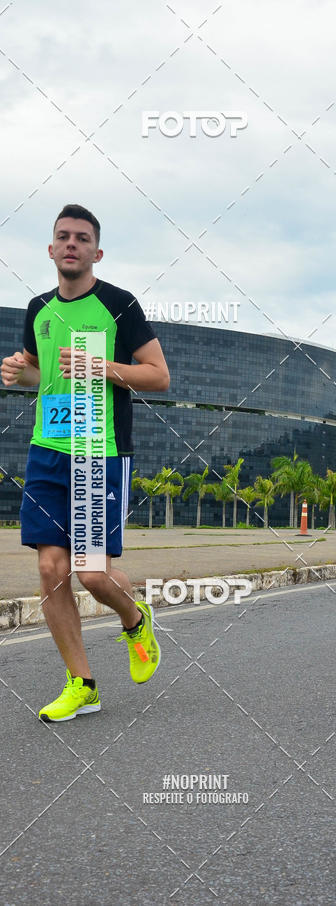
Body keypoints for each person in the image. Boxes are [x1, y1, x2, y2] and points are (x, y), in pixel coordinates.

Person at [1, 204, 170, 721]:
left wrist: (104, 367)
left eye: (81, 239)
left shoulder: (119, 305)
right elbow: (41, 374)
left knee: (93, 575)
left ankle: (135, 619)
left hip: (101, 453)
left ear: (96, 252)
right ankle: (83, 683)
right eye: (62, 237)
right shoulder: (38, 309)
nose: (71, 244)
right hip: (47, 451)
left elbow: (158, 375)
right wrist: (17, 371)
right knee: (52, 569)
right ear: (51, 250)